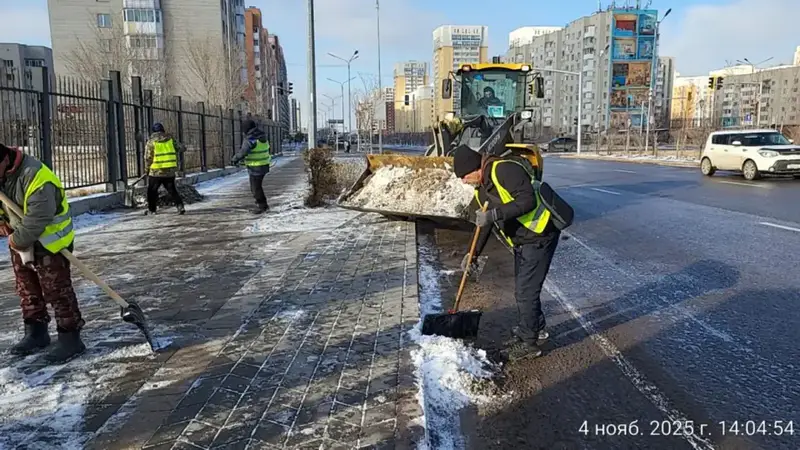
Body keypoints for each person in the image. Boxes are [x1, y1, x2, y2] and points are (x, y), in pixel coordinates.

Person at [453, 145, 561, 360]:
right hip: (523, 240)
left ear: (476, 168)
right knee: (524, 290)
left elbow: (527, 200)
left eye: (464, 176)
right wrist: (471, 254)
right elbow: (483, 224)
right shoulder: (483, 187)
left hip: (540, 235)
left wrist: (495, 214)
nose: (463, 181)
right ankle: (535, 329)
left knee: (525, 292)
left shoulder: (505, 170)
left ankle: (529, 343)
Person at [0, 144, 86, 363]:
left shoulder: (37, 177)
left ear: (4, 161)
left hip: (51, 242)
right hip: (21, 238)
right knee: (26, 288)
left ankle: (70, 338)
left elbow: (39, 218)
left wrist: (15, 239)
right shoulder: (3, 175)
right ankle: (36, 332)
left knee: (56, 289)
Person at [144, 122, 185, 215]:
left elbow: (148, 158)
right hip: (169, 171)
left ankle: (152, 210)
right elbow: (182, 148)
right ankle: (180, 206)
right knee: (172, 190)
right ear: (163, 130)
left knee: (152, 191)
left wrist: (147, 169)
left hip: (156, 171)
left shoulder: (151, 142)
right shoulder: (171, 139)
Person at [232, 119, 272, 214]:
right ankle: (262, 205)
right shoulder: (262, 136)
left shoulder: (250, 138)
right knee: (257, 187)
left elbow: (243, 151)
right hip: (263, 165)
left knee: (255, 188)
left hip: (255, 167)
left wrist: (235, 159)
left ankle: (262, 206)